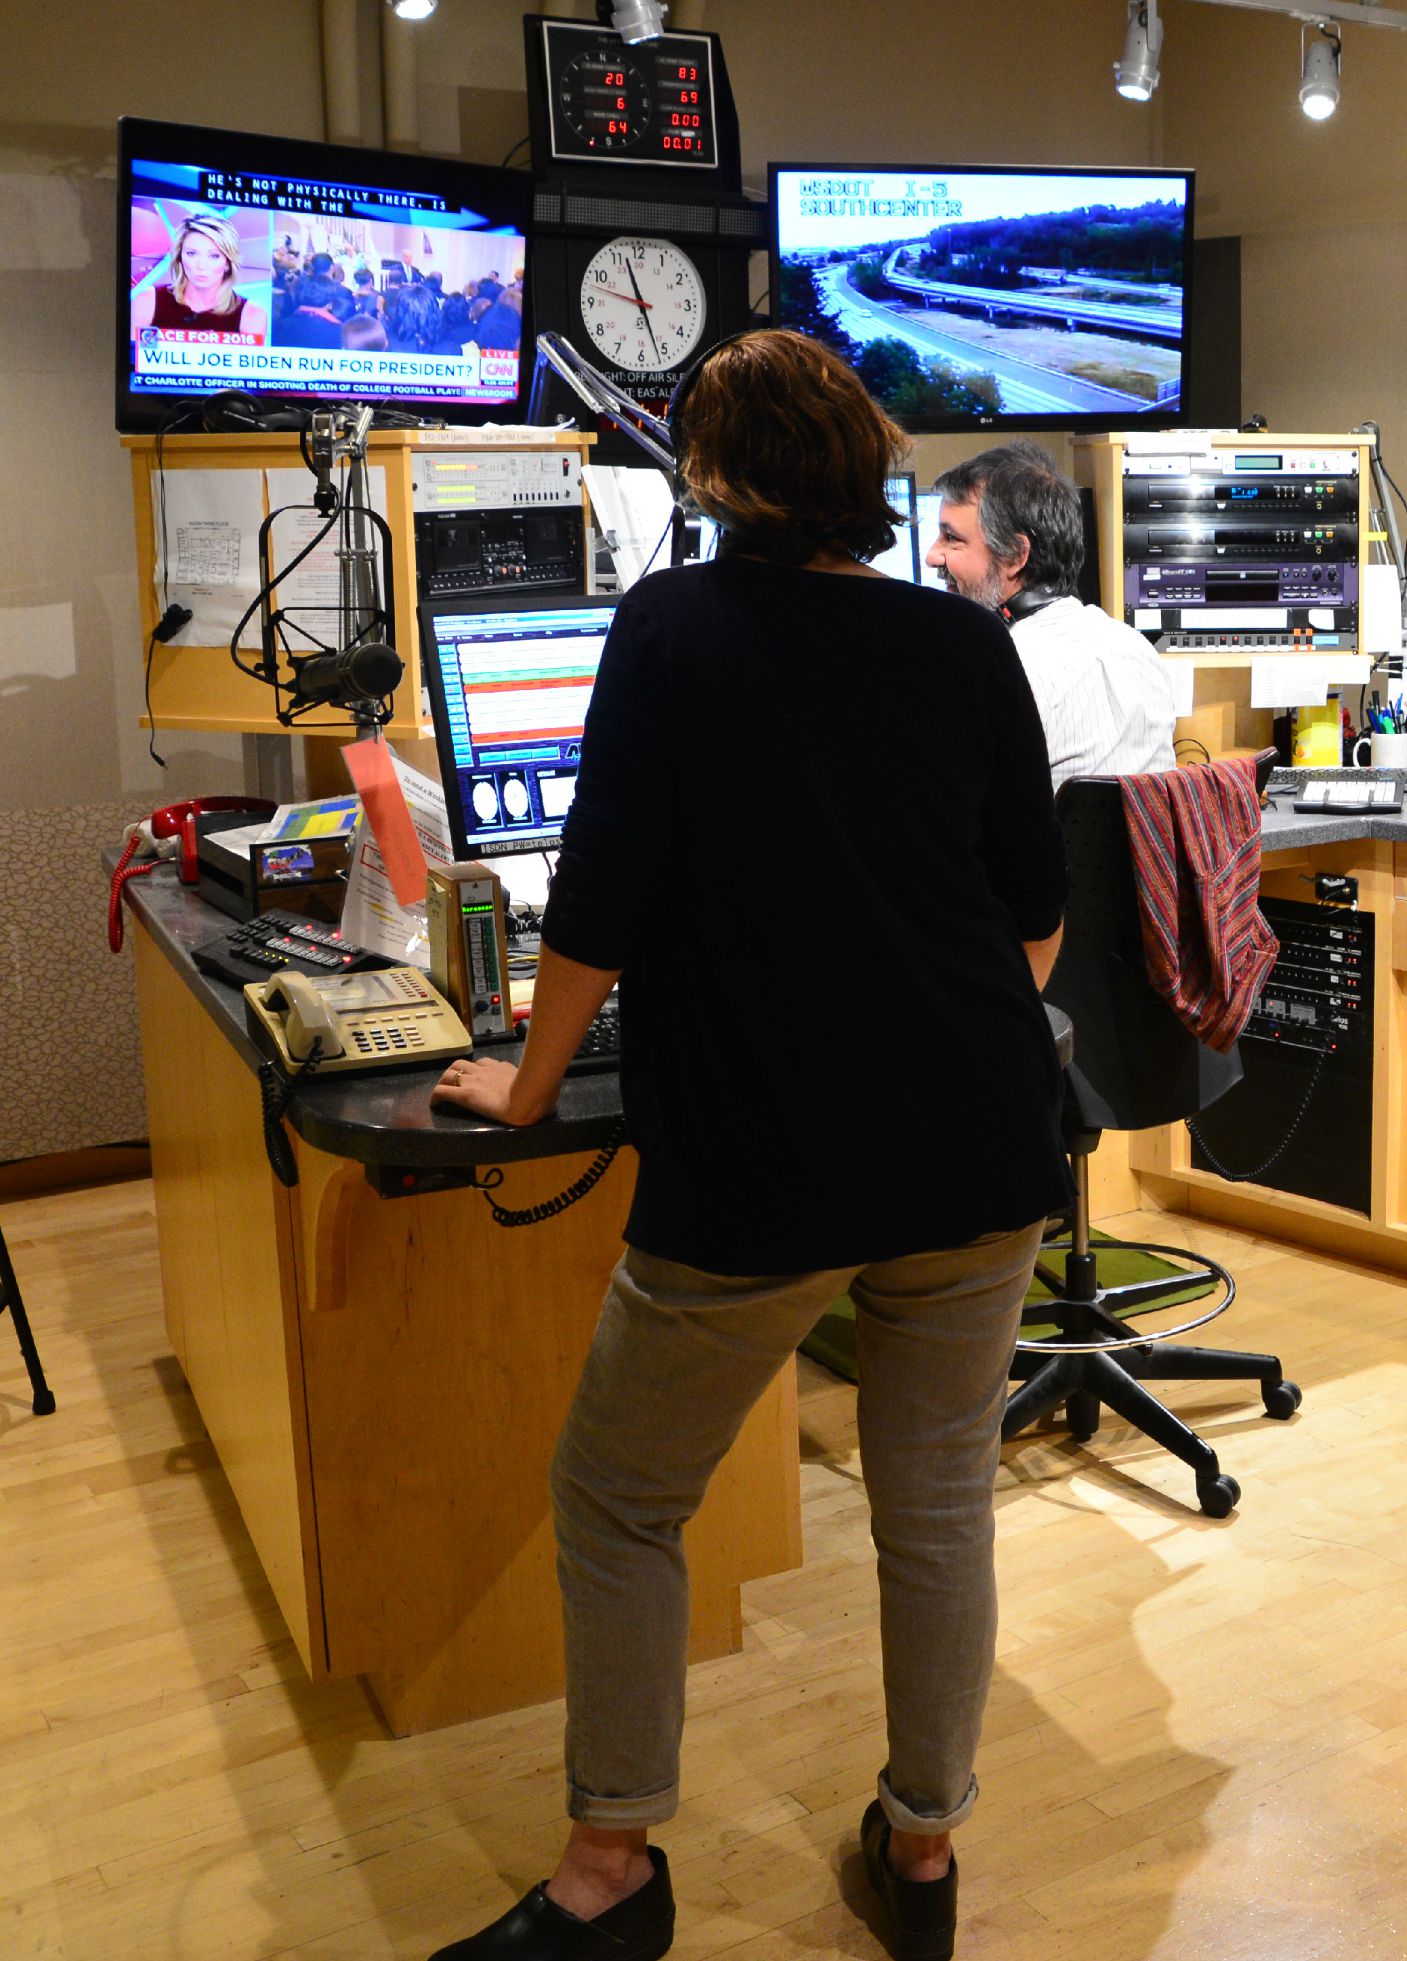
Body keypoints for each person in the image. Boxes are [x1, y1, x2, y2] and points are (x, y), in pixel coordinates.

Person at [426, 330, 1073, 1961]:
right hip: (983, 1149)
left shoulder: (675, 625)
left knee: (620, 1497)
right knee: (937, 1512)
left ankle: (608, 1875)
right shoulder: (962, 642)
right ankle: (920, 1860)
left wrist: (524, 1081)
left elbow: (602, 897)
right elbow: (1036, 928)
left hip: (766, 1170)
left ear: (707, 480)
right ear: (865, 476)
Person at [927, 440, 1176, 789]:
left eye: (951, 538)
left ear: (1015, 555)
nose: (932, 556)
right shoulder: (1138, 648)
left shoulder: (994, 674)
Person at [130, 210, 263, 339]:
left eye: (214, 256)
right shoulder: (147, 301)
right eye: (191, 254)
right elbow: (132, 358)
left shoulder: (251, 315)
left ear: (228, 263)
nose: (201, 266)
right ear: (180, 258)